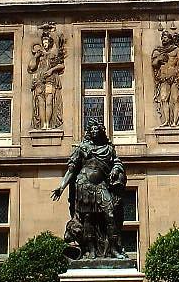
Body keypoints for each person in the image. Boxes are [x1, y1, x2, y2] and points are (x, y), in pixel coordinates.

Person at [52, 119, 127, 260]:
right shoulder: (82, 148)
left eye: (96, 128)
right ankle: (91, 250)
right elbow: (71, 170)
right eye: (91, 129)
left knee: (110, 214)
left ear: (101, 131)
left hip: (101, 186)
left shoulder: (108, 149)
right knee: (88, 218)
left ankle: (113, 249)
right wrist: (61, 187)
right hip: (84, 185)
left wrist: (116, 170)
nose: (94, 131)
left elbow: (117, 163)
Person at [28, 29, 65, 129]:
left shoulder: (53, 54)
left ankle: (48, 124)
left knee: (49, 101)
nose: (45, 44)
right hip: (39, 80)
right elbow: (31, 67)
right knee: (41, 102)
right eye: (43, 42)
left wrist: (51, 70)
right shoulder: (39, 54)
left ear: (50, 43)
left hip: (50, 79)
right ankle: (43, 125)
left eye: (46, 42)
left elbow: (61, 65)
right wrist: (36, 56)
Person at [151, 29, 179, 126]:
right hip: (164, 78)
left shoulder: (176, 49)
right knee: (163, 98)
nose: (163, 39)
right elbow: (154, 64)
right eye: (162, 37)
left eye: (165, 37)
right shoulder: (158, 51)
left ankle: (175, 122)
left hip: (175, 78)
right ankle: (166, 121)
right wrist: (158, 59)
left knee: (176, 99)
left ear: (170, 39)